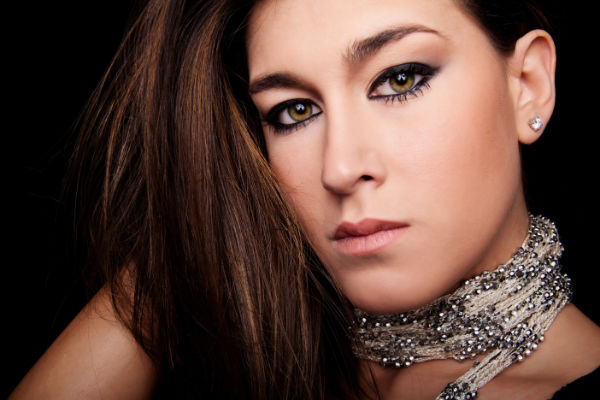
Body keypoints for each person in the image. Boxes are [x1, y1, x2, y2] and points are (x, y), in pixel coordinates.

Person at [10, 0, 600, 399]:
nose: (339, 168)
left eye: (399, 79)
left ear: (528, 86)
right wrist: (195, 223)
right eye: (295, 111)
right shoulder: (254, 364)